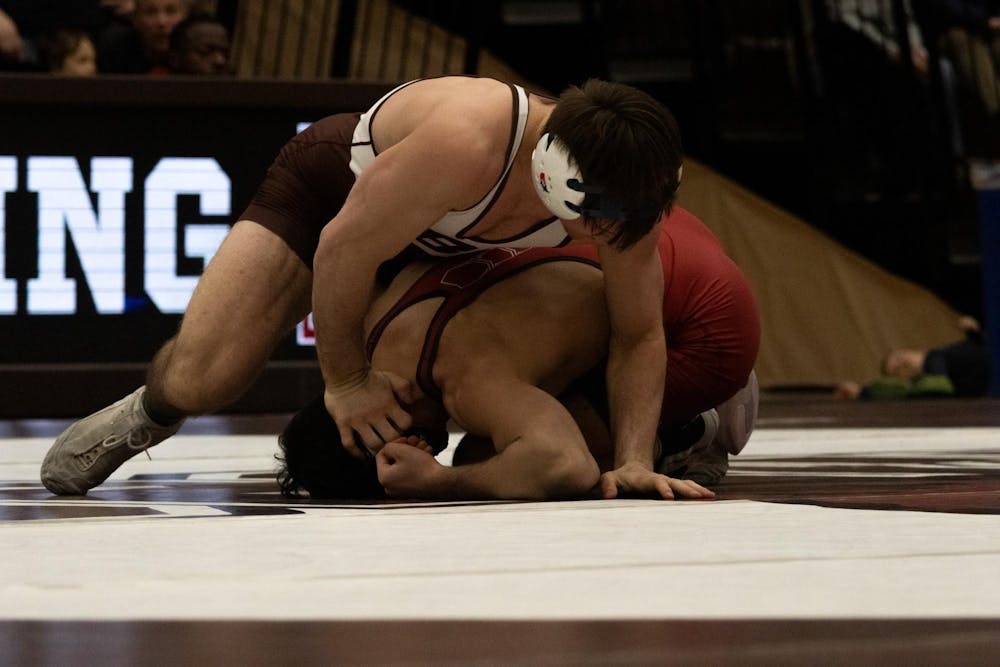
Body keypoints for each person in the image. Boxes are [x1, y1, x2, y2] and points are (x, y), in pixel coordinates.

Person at [40, 76, 686, 500]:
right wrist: (347, 381)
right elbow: (342, 249)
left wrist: (632, 459)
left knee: (502, 392)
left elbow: (640, 330)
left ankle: (692, 432)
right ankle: (150, 411)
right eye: (602, 217)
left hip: (441, 241)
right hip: (336, 202)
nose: (614, 233)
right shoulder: (467, 141)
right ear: (555, 176)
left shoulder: (621, 198)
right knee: (209, 377)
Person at [276, 207, 757, 500]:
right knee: (508, 427)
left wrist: (437, 483)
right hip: (653, 227)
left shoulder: (466, 380)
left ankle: (690, 434)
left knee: (484, 456)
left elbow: (567, 466)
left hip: (708, 329)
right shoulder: (375, 325)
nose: (430, 450)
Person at [834, 316, 992, 399]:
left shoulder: (938, 355)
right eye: (897, 370)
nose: (903, 363)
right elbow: (936, 388)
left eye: (899, 357)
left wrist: (974, 332)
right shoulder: (931, 377)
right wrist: (862, 392)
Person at [97, 0, 189, 74]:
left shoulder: (197, 50)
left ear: (186, 16)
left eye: (171, 11)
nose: (161, 22)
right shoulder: (114, 50)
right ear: (135, 18)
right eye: (150, 12)